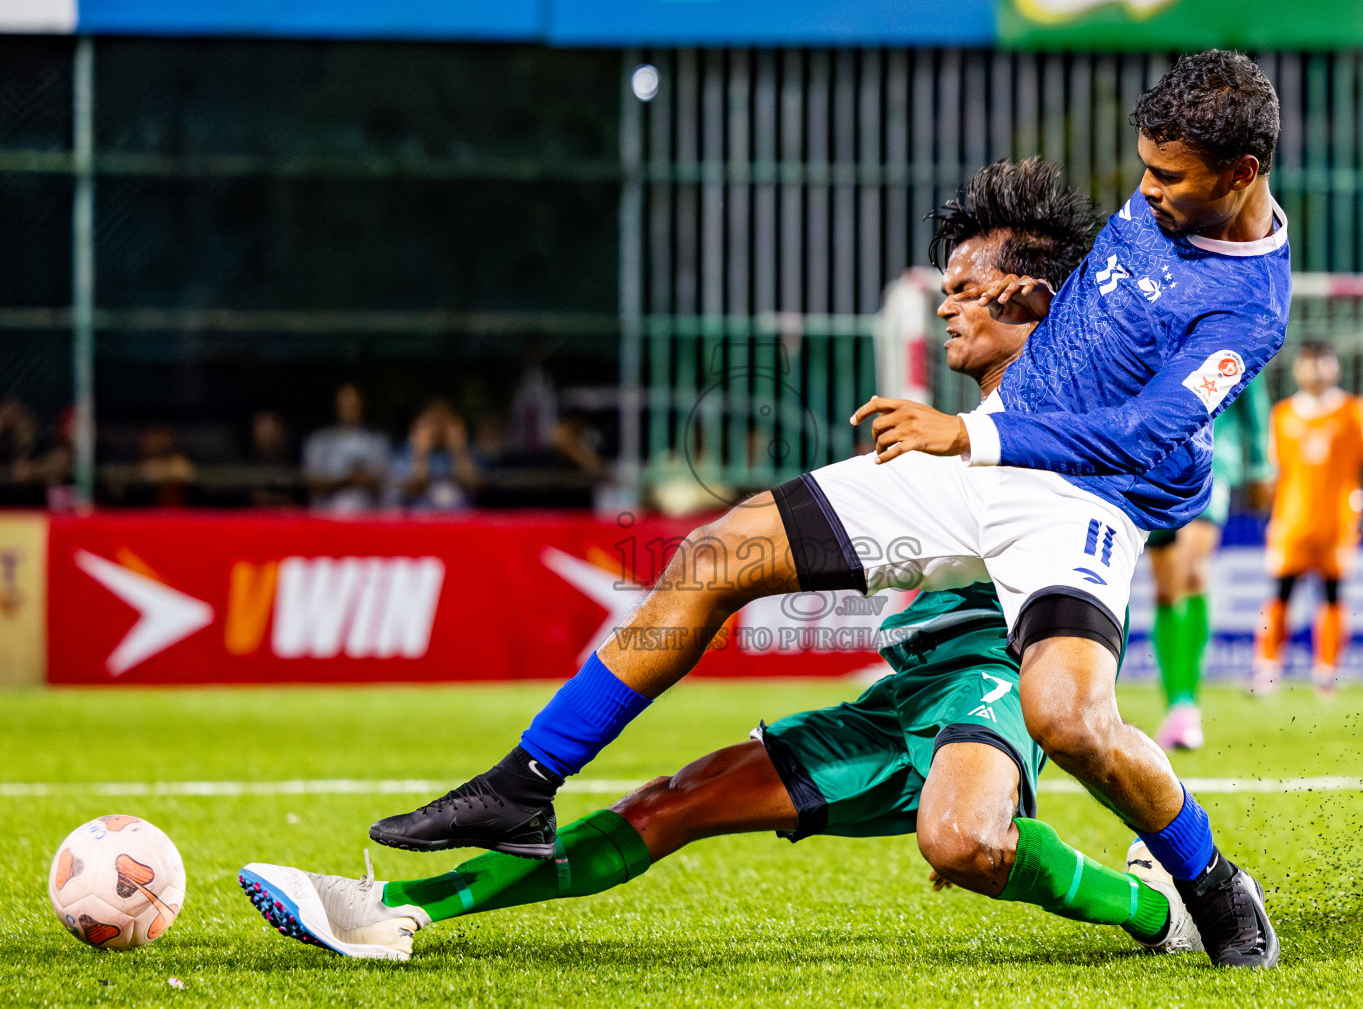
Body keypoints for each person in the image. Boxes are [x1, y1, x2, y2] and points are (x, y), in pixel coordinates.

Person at [371, 52, 1290, 969]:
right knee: (717, 556)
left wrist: (968, 438)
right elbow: (1099, 309)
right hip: (985, 447)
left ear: (1241, 174)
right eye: (1144, 167)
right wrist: (1011, 307)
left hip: (1078, 500)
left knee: (1068, 720)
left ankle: (1210, 885)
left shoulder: (1248, 307)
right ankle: (526, 781)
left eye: (1167, 177)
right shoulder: (1173, 190)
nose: (1147, 189)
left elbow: (1146, 429)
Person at [238, 164, 1203, 962]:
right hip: (912, 687)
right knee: (675, 800)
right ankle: (395, 909)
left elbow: (1153, 457)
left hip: (991, 677)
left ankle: (1162, 908)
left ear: (1032, 299)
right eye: (941, 285)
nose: (944, 306)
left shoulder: (1058, 435)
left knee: (960, 841)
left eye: (963, 288)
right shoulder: (954, 432)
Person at [1251, 340, 1363, 697]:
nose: (1316, 370)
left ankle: (1326, 672)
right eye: (1309, 363)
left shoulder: (1355, 411)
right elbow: (1272, 471)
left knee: (1332, 595)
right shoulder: (1282, 415)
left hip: (1338, 523)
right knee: (1280, 594)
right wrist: (1268, 511)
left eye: (1323, 362)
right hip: (1292, 522)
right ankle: (1267, 670)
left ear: (1335, 367)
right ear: (1298, 369)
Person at [1146, 383, 1271, 750]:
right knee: (1167, 587)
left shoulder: (1219, 326)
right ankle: (1175, 704)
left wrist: (1261, 461)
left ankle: (1186, 705)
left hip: (1213, 462)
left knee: (1191, 569)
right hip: (1155, 463)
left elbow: (1250, 386)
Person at [303, 383, 391, 514]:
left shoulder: (377, 442)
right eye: (345, 404)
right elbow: (311, 482)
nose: (349, 408)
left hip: (367, 520)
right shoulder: (318, 441)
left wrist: (364, 479)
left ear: (362, 406)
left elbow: (385, 482)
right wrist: (346, 479)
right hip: (325, 519)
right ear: (335, 406)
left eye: (354, 404)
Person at [387, 399, 480, 512]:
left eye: (444, 421)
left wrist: (458, 452)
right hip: (419, 518)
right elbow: (414, 487)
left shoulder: (466, 451)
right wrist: (421, 453)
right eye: (432, 422)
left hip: (459, 519)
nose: (438, 428)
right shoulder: (405, 451)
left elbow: (473, 485)